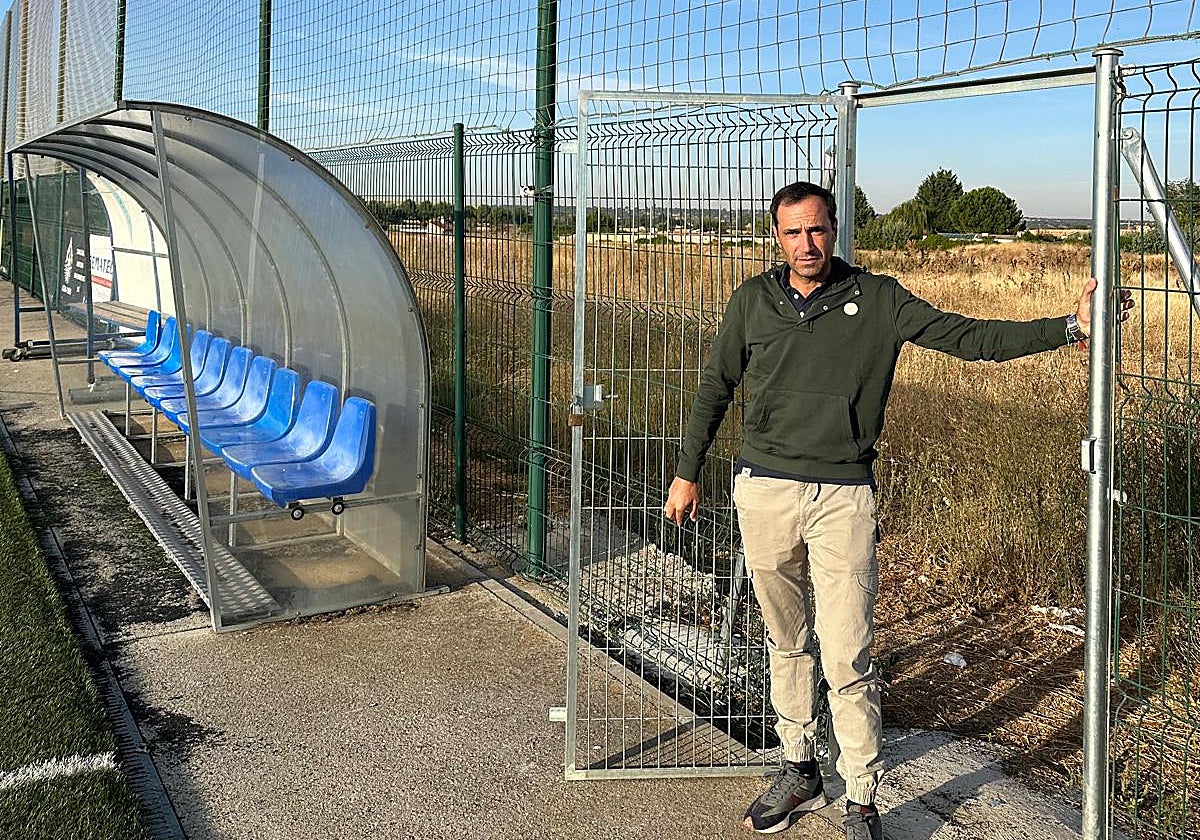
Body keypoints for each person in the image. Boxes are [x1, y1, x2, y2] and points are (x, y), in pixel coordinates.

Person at [662, 181, 1130, 839]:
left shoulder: (877, 299)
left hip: (842, 497)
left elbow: (970, 338)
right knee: (785, 640)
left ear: (835, 229)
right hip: (763, 489)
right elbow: (715, 389)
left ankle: (860, 798)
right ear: (775, 236)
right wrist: (687, 474)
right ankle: (798, 766)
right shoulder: (752, 302)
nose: (807, 244)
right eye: (793, 232)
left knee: (848, 652)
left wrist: (1071, 328)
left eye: (817, 230)